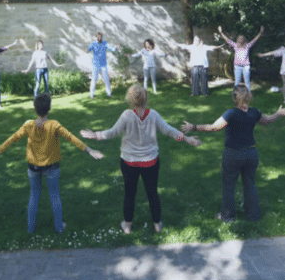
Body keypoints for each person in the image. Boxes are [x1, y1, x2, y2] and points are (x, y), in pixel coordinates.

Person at [80, 85, 202, 234]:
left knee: (129, 194)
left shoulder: (127, 115)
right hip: (150, 162)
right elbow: (169, 130)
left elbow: (112, 132)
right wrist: (188, 139)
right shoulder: (153, 115)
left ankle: (127, 226)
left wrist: (95, 135)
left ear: (130, 100)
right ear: (146, 99)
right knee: (152, 193)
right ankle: (157, 225)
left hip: (129, 162)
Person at [0, 93, 103, 234]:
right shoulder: (54, 125)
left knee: (34, 196)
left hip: (33, 168)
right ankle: (59, 228)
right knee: (54, 196)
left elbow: (11, 139)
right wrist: (89, 149)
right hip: (52, 168)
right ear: (49, 109)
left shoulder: (28, 125)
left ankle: (30, 229)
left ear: (35, 109)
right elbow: (72, 138)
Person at [181, 85, 285, 222]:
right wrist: (278, 113)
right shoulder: (254, 112)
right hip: (251, 154)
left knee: (229, 186)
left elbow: (214, 127)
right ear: (248, 96)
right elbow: (267, 121)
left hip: (233, 155)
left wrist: (193, 127)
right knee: (250, 184)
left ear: (235, 98)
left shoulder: (231, 114)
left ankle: (227, 216)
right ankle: (253, 216)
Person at [218, 25, 264, 90]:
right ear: (237, 40)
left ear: (244, 40)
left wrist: (260, 32)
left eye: (242, 38)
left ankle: (248, 94)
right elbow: (227, 39)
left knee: (247, 82)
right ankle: (235, 94)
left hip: (246, 66)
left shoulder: (248, 45)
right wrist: (221, 32)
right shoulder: (235, 45)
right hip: (237, 66)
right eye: (239, 38)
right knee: (237, 82)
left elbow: (255, 39)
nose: (241, 40)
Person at [87, 32, 118, 99]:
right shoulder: (93, 43)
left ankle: (109, 93)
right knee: (94, 79)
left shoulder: (105, 43)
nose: (99, 38)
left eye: (100, 37)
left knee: (106, 79)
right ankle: (91, 94)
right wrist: (87, 50)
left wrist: (115, 48)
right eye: (98, 37)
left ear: (102, 37)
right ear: (96, 37)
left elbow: (111, 49)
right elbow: (89, 49)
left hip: (103, 64)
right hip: (95, 64)